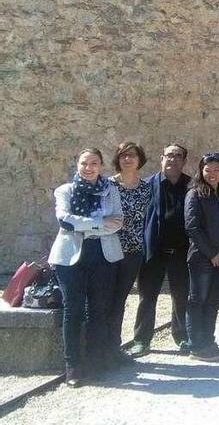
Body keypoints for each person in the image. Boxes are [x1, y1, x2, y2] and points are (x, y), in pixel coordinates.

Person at [48, 148, 124, 387]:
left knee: (98, 310)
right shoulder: (65, 191)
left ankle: (93, 361)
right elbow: (65, 220)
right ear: (77, 165)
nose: (89, 168)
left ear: (101, 166)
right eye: (84, 163)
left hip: (103, 255)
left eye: (94, 163)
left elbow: (117, 223)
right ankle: (73, 366)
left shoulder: (110, 190)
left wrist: (85, 225)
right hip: (71, 257)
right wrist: (100, 222)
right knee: (74, 310)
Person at [130, 144, 191, 357]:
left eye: (178, 156)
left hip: (182, 252)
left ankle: (182, 337)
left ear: (184, 161)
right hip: (153, 252)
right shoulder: (147, 185)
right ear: (161, 157)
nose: (172, 159)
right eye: (169, 155)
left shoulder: (191, 186)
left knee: (181, 296)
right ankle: (141, 340)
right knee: (147, 297)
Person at [183, 153, 219, 361]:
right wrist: (212, 254)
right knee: (198, 300)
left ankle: (208, 340)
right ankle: (196, 345)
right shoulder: (195, 194)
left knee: (213, 301)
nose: (212, 173)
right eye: (208, 170)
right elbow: (193, 228)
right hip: (202, 258)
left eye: (217, 169)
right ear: (201, 171)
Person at [107, 142, 151, 364]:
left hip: (133, 252)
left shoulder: (146, 188)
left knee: (120, 299)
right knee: (104, 299)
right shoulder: (106, 186)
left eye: (132, 155)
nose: (127, 159)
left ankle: (113, 348)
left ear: (139, 159)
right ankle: (101, 348)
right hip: (108, 250)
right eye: (123, 155)